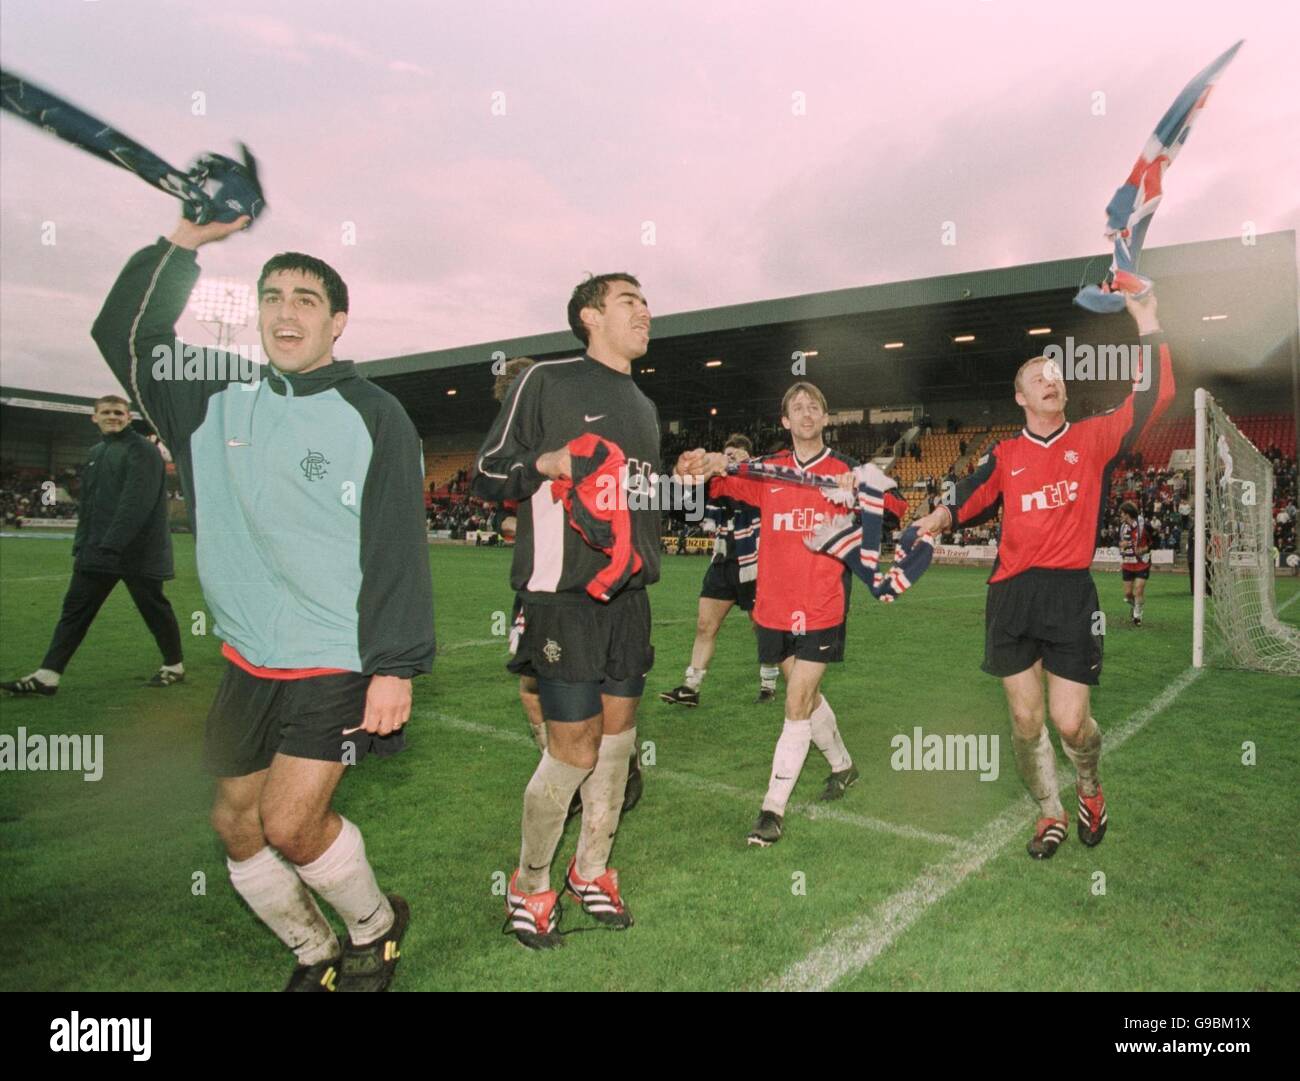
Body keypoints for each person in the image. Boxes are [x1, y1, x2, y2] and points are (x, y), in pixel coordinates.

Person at [91, 213, 435, 991]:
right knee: (235, 826)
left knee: (290, 821)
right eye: (272, 295)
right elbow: (124, 329)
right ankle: (313, 950)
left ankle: (374, 927)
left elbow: (395, 548)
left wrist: (396, 666)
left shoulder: (375, 413)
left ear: (337, 320)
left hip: (337, 653)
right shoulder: (210, 395)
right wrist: (183, 240)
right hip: (249, 656)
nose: (286, 311)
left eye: (307, 299)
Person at [911, 291, 1171, 859]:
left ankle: (1090, 788)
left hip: (1069, 594)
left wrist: (1145, 318)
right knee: (1027, 721)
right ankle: (1049, 812)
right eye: (1037, 375)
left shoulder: (1093, 438)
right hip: (1010, 595)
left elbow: (1153, 395)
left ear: (1064, 389)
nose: (1049, 379)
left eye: (1055, 373)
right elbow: (967, 497)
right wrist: (933, 519)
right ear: (1021, 396)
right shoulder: (1006, 454)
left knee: (1070, 722)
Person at [474, 273, 662, 948]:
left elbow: (631, 498)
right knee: (572, 746)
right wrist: (547, 462)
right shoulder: (547, 381)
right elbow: (489, 471)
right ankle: (529, 882)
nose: (644, 311)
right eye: (628, 301)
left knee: (617, 742)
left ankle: (591, 871)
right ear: (590, 316)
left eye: (645, 300)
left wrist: (680, 477)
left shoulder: (642, 402)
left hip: (631, 598)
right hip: (564, 597)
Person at [681, 382, 860, 847]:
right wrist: (700, 466)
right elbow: (710, 484)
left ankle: (771, 810)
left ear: (825, 418)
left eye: (813, 407)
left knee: (796, 700)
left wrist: (859, 492)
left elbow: (896, 503)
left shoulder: (844, 471)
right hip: (774, 608)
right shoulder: (769, 472)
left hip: (822, 606)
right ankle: (843, 766)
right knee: (809, 694)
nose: (805, 413)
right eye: (796, 408)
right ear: (784, 421)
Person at [491, 356, 643, 817]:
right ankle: (567, 764)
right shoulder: (520, 450)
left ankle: (605, 766)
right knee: (532, 686)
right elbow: (505, 507)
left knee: (579, 687)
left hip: (573, 584)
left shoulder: (571, 440)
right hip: (537, 584)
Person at [1, 396, 183, 696]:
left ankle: (174, 665)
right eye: (106, 412)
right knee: (74, 610)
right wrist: (83, 544)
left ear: (128, 417)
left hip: (137, 551)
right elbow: (90, 506)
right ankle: (48, 675)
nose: (113, 416)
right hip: (97, 550)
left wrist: (111, 544)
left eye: (119, 412)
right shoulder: (96, 452)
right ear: (94, 417)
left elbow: (135, 503)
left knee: (153, 608)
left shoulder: (144, 451)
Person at [659, 433, 779, 707]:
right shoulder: (716, 484)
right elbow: (683, 508)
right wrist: (691, 474)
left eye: (736, 454)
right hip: (724, 558)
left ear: (749, 457)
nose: (730, 458)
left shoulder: (759, 475)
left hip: (756, 560)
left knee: (761, 626)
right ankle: (691, 686)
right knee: (705, 625)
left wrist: (730, 465)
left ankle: (768, 683)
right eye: (728, 453)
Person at [1119, 501, 1153, 626]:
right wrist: (1121, 546)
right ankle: (1135, 606)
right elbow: (1120, 543)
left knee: (1138, 590)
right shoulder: (1122, 527)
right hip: (1128, 563)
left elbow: (1155, 541)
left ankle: (1137, 614)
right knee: (1128, 594)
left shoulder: (1144, 525)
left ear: (1127, 514)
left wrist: (1144, 549)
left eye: (1122, 513)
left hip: (1142, 562)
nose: (1120, 516)